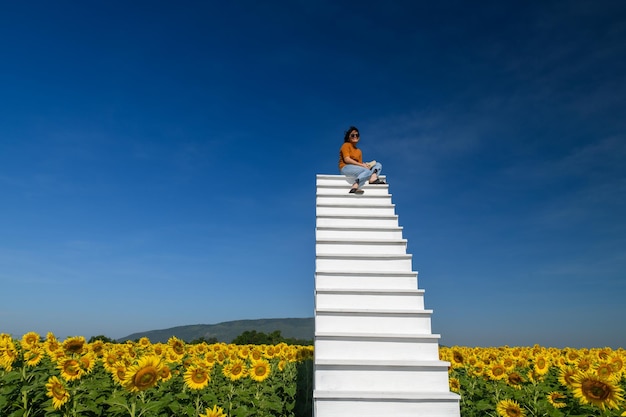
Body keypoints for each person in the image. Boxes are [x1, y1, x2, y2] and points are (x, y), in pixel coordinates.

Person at [338, 126, 385, 193]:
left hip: (356, 168)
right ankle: (355, 185)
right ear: (348, 137)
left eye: (357, 135)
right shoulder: (346, 145)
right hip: (345, 167)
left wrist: (365, 165)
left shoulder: (359, 151)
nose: (355, 136)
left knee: (378, 164)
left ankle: (373, 178)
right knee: (367, 171)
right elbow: (347, 160)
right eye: (352, 135)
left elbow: (359, 165)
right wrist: (362, 165)